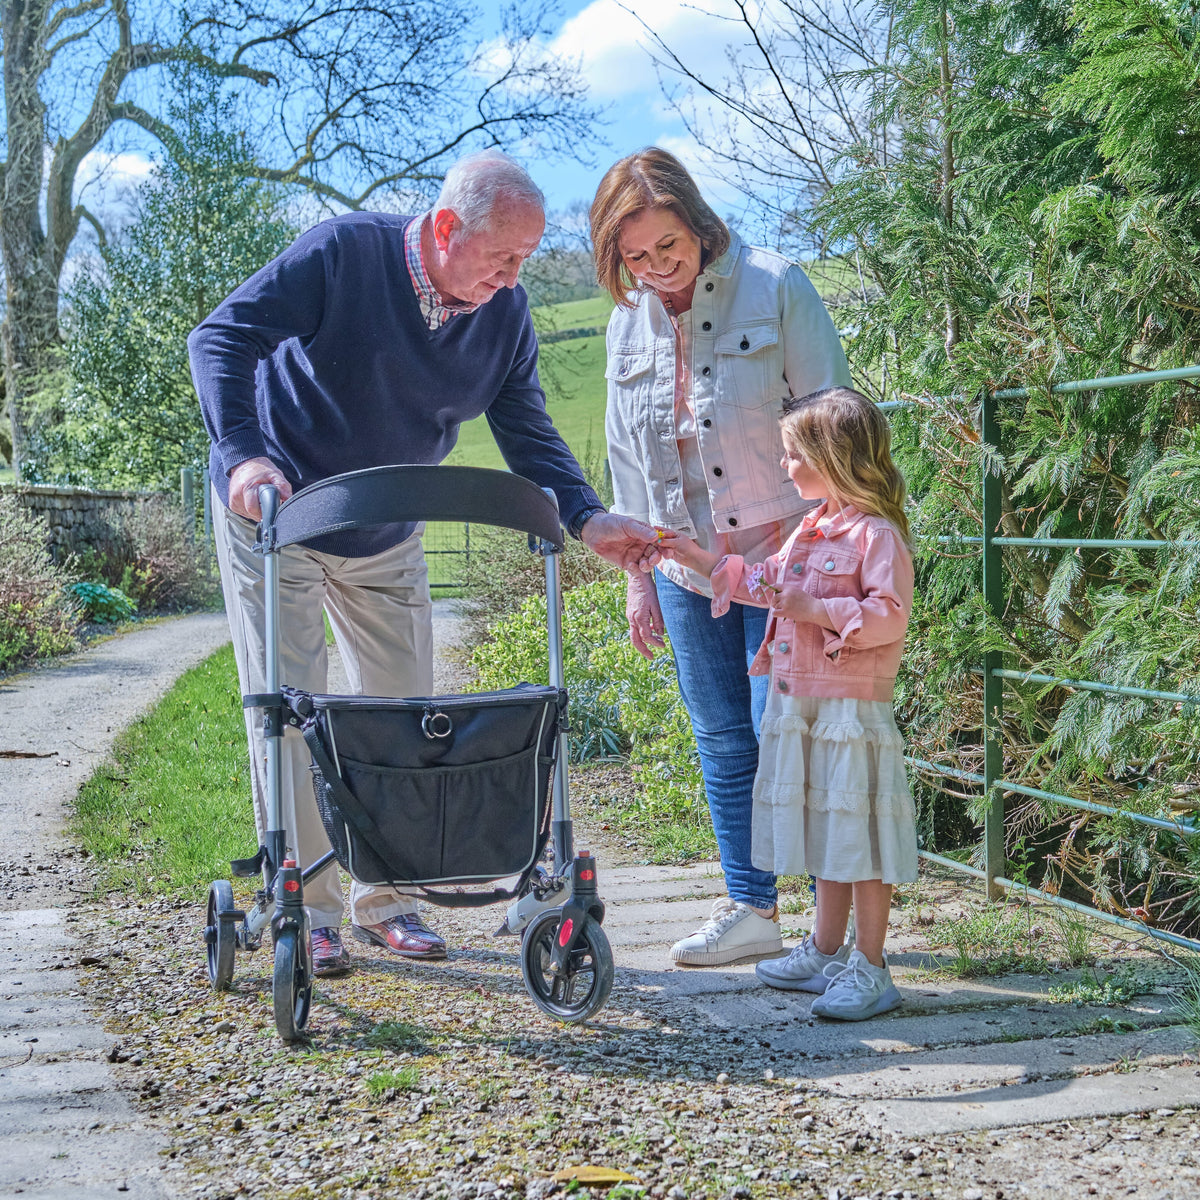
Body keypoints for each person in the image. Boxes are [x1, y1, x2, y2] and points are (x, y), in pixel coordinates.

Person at [190, 149, 662, 977]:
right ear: (446, 229)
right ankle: (309, 903)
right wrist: (242, 458)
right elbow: (221, 337)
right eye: (503, 258)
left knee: (403, 718)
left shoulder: (503, 316)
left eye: (525, 261)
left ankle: (385, 898)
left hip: (386, 523)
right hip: (278, 512)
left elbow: (527, 429)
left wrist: (585, 517)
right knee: (290, 711)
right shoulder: (343, 254)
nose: (514, 280)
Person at [590, 147, 852, 966]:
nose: (656, 268)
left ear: (698, 224)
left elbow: (834, 426)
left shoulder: (777, 287)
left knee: (795, 734)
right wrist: (640, 580)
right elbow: (624, 465)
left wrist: (834, 556)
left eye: (667, 247)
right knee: (723, 738)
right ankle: (751, 908)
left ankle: (832, 928)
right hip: (681, 565)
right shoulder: (623, 322)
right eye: (634, 257)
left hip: (785, 557)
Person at [660, 386, 917, 1019]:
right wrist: (700, 560)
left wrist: (817, 610)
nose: (784, 466)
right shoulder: (810, 527)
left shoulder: (876, 535)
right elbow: (766, 583)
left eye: (793, 453)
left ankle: (872, 967)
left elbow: (889, 617)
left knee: (857, 832)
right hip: (803, 702)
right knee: (828, 827)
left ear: (833, 456)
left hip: (850, 711)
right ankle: (827, 950)